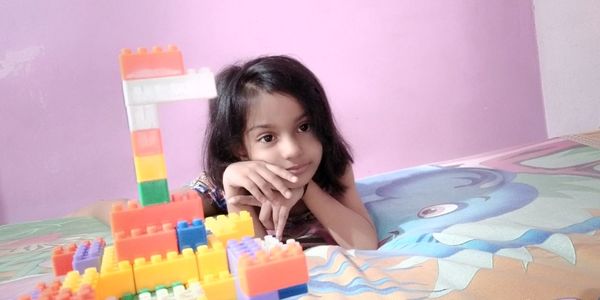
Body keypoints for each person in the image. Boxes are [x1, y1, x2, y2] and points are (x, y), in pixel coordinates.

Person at [192, 55, 378, 250]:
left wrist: (307, 190)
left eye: (304, 127)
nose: (293, 150)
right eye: (268, 138)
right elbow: (255, 261)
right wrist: (233, 190)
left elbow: (366, 245)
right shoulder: (218, 185)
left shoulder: (332, 169)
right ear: (239, 149)